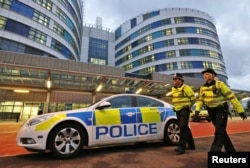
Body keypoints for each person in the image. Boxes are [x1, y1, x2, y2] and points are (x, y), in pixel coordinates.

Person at [194, 68, 247, 152]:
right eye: (204, 74)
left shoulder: (220, 85)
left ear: (213, 75)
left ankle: (215, 150)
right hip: (211, 111)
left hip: (221, 110)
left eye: (207, 74)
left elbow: (232, 97)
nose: (205, 75)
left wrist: (240, 110)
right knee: (222, 131)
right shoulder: (202, 88)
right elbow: (200, 100)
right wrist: (197, 110)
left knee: (219, 131)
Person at [171, 73, 196, 155]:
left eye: (177, 79)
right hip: (177, 110)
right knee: (184, 127)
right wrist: (175, 106)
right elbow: (175, 100)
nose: (175, 81)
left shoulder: (186, 88)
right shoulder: (173, 89)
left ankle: (181, 147)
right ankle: (191, 145)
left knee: (182, 127)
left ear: (181, 80)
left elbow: (193, 99)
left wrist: (188, 106)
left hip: (185, 110)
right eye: (174, 79)